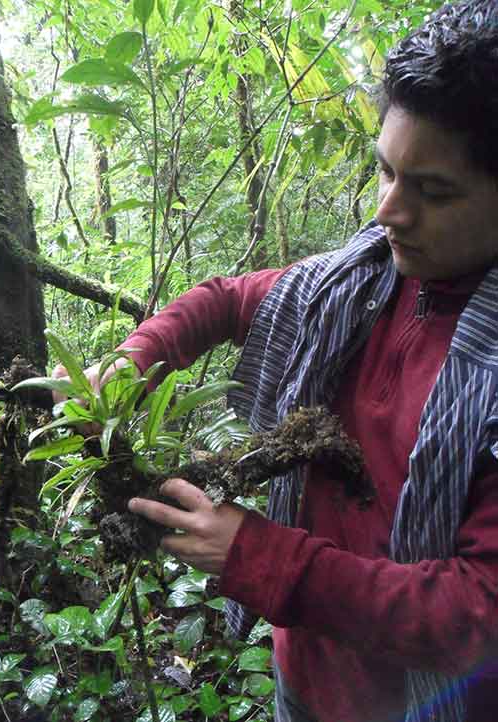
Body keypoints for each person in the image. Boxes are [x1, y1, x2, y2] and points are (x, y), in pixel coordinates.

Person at [55, 1, 498, 720]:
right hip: (306, 674)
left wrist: (259, 558)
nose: (388, 211)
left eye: (434, 191)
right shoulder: (359, 282)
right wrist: (132, 364)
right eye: (385, 171)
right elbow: (227, 301)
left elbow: (478, 611)